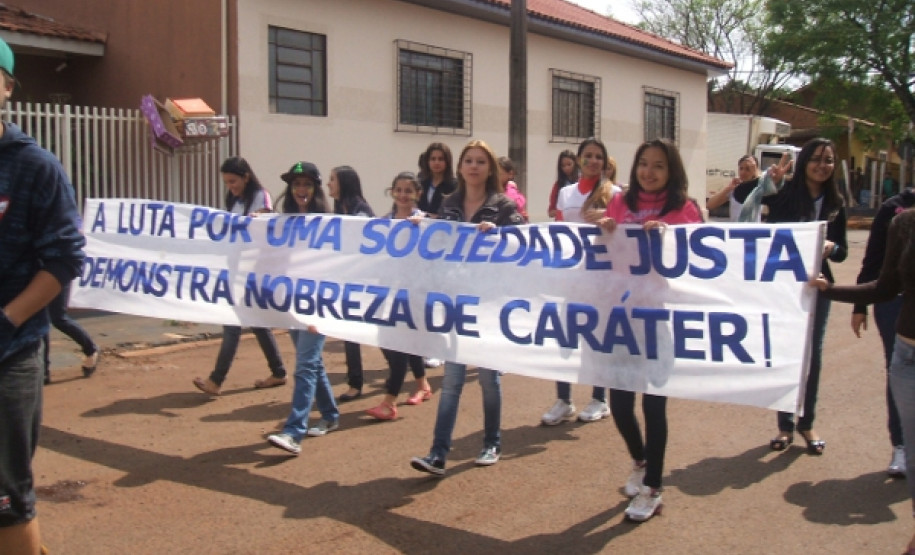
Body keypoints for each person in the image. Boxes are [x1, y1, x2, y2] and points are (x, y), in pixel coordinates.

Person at [0, 36, 86, 554]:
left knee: (6, 499)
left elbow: (64, 259)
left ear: (7, 87)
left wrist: (7, 320)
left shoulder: (35, 167)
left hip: (9, 354)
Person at [596, 138, 703, 522]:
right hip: (620, 318)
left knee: (654, 405)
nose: (649, 172)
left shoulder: (685, 209)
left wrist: (668, 240)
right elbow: (603, 254)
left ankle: (654, 488)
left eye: (658, 165)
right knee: (621, 404)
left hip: (661, 319)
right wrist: (605, 229)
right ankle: (640, 461)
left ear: (671, 170)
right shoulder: (620, 203)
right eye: (643, 163)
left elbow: (698, 262)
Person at [410, 139, 524, 476]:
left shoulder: (501, 206)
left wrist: (501, 235)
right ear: (460, 167)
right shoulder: (449, 204)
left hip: (488, 303)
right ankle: (438, 453)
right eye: (468, 161)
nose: (473, 166)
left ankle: (491, 443)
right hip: (456, 301)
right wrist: (423, 230)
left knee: (489, 380)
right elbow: (441, 242)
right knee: (453, 380)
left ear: (490, 169)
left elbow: (523, 243)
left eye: (480, 162)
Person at [810, 207, 915, 555]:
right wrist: (831, 290)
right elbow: (886, 287)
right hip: (907, 357)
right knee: (913, 454)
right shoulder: (904, 222)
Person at [760, 138, 847, 455]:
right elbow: (761, 230)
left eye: (829, 160)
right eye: (816, 159)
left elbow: (843, 252)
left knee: (813, 358)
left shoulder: (837, 203)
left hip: (819, 289)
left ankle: (807, 423)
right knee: (787, 355)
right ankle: (785, 426)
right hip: (786, 290)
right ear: (804, 161)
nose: (822, 166)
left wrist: (831, 248)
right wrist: (768, 184)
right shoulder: (783, 198)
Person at [192, 157, 288, 396]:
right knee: (257, 323)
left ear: (246, 176)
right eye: (227, 183)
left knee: (233, 324)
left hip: (253, 271)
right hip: (237, 269)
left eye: (233, 181)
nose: (230, 187)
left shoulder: (260, 196)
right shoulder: (234, 199)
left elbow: (265, 222)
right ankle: (278, 371)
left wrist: (257, 218)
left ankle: (216, 380)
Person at [542, 137, 620, 426]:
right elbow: (559, 231)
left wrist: (611, 219)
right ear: (578, 160)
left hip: (602, 275)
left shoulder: (616, 194)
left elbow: (625, 233)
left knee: (597, 336)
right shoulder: (565, 193)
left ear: (605, 161)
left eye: (599, 156)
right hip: (572, 274)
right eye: (588, 155)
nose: (593, 161)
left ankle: (600, 398)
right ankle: (564, 399)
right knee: (565, 335)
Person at [267, 161, 340, 455]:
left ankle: (294, 431)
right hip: (292, 301)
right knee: (311, 361)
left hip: (317, 303)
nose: (300, 190)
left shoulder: (329, 224)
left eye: (307, 184)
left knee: (305, 365)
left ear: (316, 188)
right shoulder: (283, 221)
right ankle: (331, 415)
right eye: (296, 184)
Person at [851, 186, 915, 476]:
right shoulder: (893, 209)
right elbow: (873, 260)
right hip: (894, 305)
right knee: (899, 372)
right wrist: (859, 306)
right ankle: (900, 446)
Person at [365, 172, 434, 420]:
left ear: (417, 194)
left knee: (399, 346)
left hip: (414, 294)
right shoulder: (384, 222)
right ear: (392, 192)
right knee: (394, 341)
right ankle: (423, 385)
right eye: (399, 190)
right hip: (387, 292)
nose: (403, 195)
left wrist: (424, 228)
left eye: (408, 190)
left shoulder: (424, 221)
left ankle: (389, 402)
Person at [327, 165, 375, 402]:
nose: (328, 184)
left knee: (381, 332)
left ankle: (412, 372)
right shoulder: (340, 208)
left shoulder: (360, 212)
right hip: (349, 281)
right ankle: (355, 383)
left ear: (344, 183)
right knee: (350, 332)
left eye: (332, 179)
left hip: (366, 281)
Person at [417, 143, 456, 368]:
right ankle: (427, 346)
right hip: (422, 248)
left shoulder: (454, 186)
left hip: (445, 248)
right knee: (425, 298)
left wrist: (431, 216)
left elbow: (453, 215)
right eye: (433, 158)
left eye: (441, 158)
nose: (437, 162)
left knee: (442, 299)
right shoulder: (421, 183)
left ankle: (442, 348)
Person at [42, 279, 99, 385]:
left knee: (58, 318)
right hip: (33, 274)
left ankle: (90, 349)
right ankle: (43, 371)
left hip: (56, 272)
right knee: (40, 319)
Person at [705, 154, 762, 221]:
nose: (743, 172)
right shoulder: (735, 188)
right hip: (735, 230)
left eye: (748, 169)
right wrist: (728, 188)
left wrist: (755, 174)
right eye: (741, 168)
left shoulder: (759, 187)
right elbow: (709, 205)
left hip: (753, 230)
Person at [547, 149, 579, 219]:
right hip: (562, 224)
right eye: (563, 166)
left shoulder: (581, 182)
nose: (566, 168)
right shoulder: (558, 185)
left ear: (575, 163)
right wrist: (563, 210)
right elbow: (550, 212)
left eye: (569, 164)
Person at [497, 156, 529, 222]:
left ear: (510, 174)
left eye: (499, 174)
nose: (496, 177)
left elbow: (518, 205)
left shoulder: (511, 191)